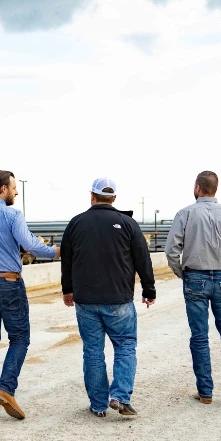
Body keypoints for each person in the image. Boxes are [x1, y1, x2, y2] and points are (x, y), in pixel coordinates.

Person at [0, 170, 60, 420]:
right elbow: (30, 245)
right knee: (20, 337)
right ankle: (5, 389)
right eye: (14, 188)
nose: (16, 192)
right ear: (3, 188)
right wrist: (55, 252)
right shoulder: (13, 214)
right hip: (8, 282)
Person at [60, 177, 156, 418]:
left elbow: (67, 261)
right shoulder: (127, 223)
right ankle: (120, 397)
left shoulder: (76, 223)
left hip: (86, 301)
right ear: (114, 199)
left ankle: (98, 405)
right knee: (125, 346)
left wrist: (67, 289)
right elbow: (142, 258)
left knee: (93, 351)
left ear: (91, 196)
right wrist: (148, 290)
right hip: (119, 300)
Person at [164, 171, 221, 406]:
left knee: (200, 336)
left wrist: (181, 273)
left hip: (195, 277)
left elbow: (171, 251)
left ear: (197, 188)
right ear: (215, 188)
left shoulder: (185, 214)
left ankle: (206, 393)